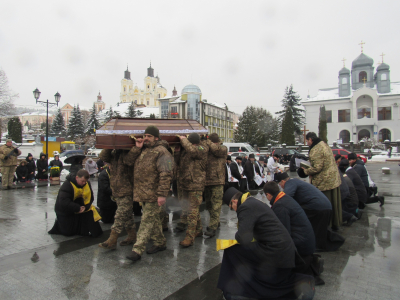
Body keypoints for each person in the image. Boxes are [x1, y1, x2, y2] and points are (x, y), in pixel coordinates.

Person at [218, 187, 315, 300]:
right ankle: (304, 281)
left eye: (231, 208)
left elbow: (243, 237)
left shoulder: (245, 207)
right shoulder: (252, 201)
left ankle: (232, 287)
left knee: (232, 250)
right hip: (283, 249)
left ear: (234, 201)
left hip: (275, 250)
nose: (234, 210)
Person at [123, 126, 174, 262]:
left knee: (146, 221)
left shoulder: (163, 152)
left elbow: (166, 174)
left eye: (149, 136)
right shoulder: (143, 150)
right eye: (145, 135)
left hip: (154, 194)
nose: (146, 138)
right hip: (142, 193)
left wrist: (162, 194)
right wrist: (137, 148)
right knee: (153, 220)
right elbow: (127, 162)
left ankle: (137, 250)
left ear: (156, 138)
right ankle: (160, 242)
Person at [263, 181, 324, 285]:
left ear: (268, 195)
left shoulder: (280, 205)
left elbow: (283, 233)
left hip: (302, 245)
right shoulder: (285, 198)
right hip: (307, 241)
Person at [274, 172, 344, 251]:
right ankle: (336, 240)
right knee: (320, 229)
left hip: (318, 207)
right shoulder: (296, 181)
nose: (281, 187)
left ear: (283, 181)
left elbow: (286, 197)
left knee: (300, 220)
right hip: (324, 206)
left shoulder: (290, 183)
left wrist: (275, 206)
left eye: (280, 185)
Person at [174, 133, 208, 247]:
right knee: (192, 209)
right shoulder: (186, 150)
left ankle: (190, 237)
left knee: (192, 212)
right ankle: (198, 229)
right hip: (186, 184)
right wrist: (178, 151)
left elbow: (193, 152)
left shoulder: (201, 148)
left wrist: (183, 140)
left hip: (196, 185)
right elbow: (177, 162)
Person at [303, 132, 342, 230]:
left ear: (311, 140)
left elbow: (317, 168)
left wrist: (305, 171)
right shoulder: (323, 144)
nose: (307, 143)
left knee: (325, 203)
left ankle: (326, 225)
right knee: (333, 202)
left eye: (307, 141)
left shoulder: (316, 149)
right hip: (332, 178)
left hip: (324, 181)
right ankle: (334, 223)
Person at [99, 148, 137, 250]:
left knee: (120, 215)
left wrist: (136, 147)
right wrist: (109, 147)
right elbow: (103, 157)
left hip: (127, 189)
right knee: (127, 214)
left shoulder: (129, 151)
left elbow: (129, 161)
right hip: (117, 189)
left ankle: (112, 239)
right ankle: (132, 236)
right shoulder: (115, 152)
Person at [48, 170, 103, 237]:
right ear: (77, 178)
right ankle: (59, 224)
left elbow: (91, 198)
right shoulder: (67, 185)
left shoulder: (87, 183)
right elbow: (63, 201)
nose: (84, 183)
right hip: (66, 210)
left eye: (85, 181)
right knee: (68, 233)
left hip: (81, 207)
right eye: (82, 181)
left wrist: (85, 207)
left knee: (95, 230)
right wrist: (77, 208)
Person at [203, 133, 227, 238]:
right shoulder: (207, 149)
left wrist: (208, 142)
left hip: (218, 180)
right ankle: (215, 221)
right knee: (209, 204)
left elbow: (216, 151)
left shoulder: (222, 148)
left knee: (216, 204)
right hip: (207, 180)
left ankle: (212, 227)